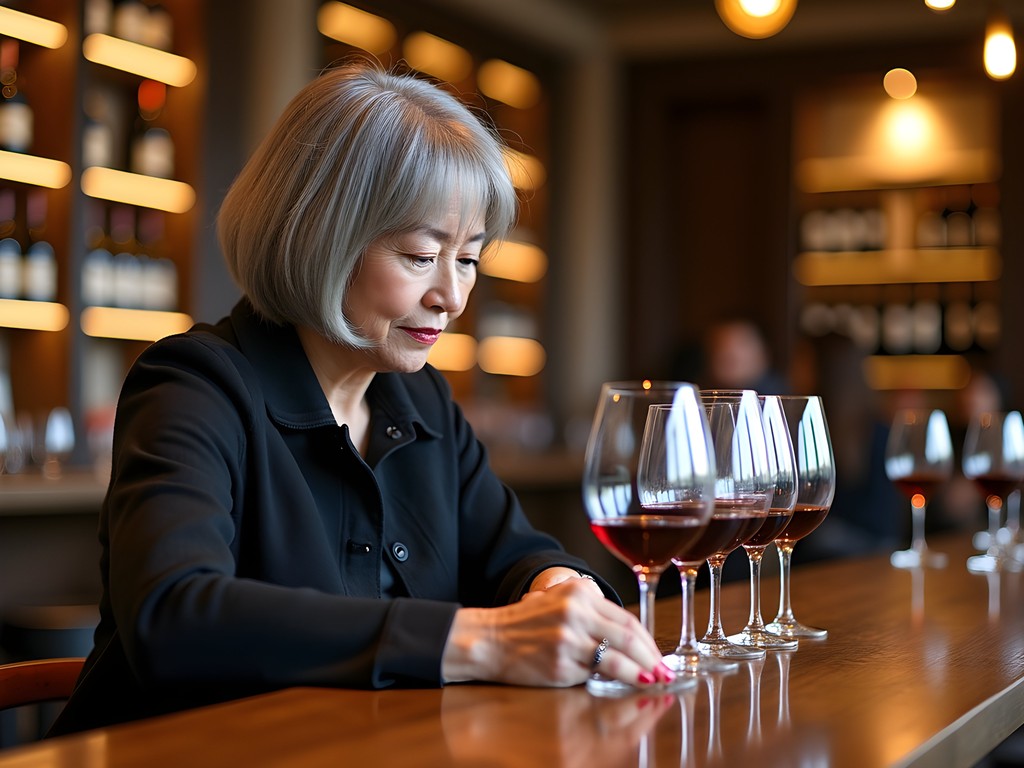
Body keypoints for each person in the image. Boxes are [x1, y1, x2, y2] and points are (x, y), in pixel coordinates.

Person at [50, 61, 672, 735]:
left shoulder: (420, 400)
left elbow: (515, 552)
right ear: (321, 236)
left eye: (467, 259)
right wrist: (480, 640)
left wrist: (559, 590)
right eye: (419, 256)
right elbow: (174, 618)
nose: (453, 297)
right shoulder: (193, 385)